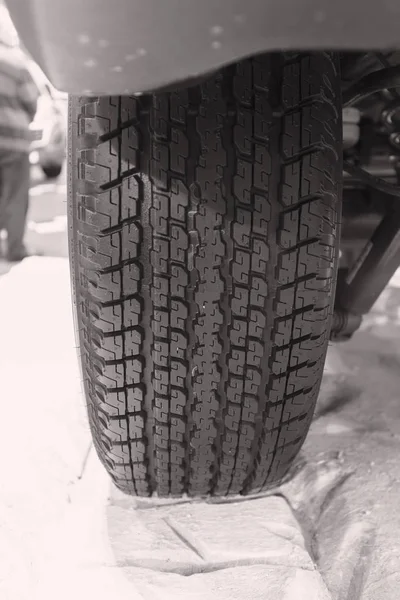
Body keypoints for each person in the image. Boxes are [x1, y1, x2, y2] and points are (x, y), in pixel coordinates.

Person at [0, 39, 39, 261]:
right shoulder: (15, 63)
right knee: (15, 196)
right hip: (13, 140)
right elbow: (31, 100)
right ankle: (15, 249)